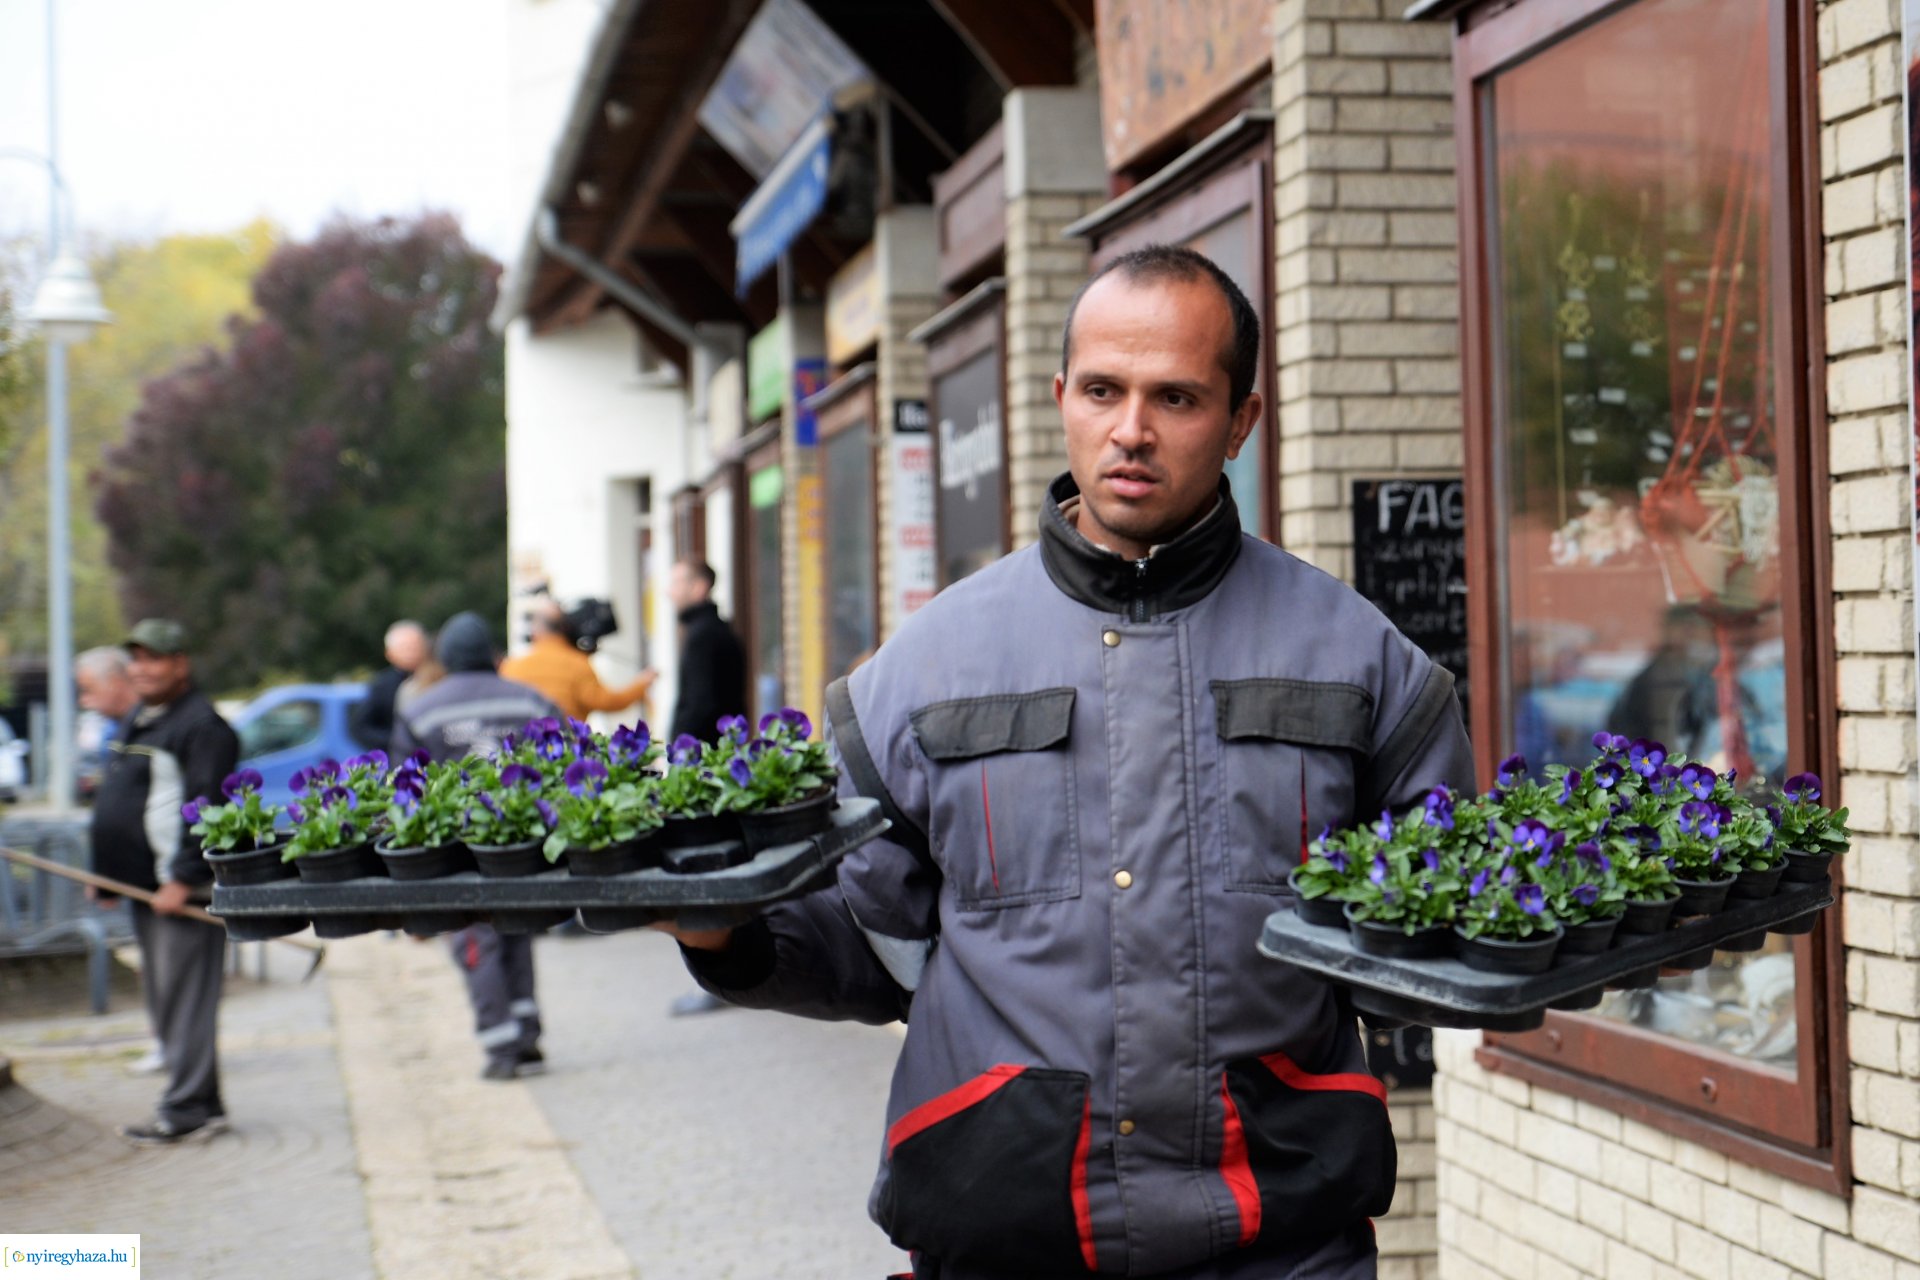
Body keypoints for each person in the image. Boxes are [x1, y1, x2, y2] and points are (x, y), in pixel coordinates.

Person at [665, 246, 1474, 1278]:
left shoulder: (1362, 663)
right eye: (1103, 390)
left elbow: (1435, 956)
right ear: (1061, 400)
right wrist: (717, 925)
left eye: (1175, 397)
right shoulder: (922, 671)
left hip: (1281, 1243)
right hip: (1000, 1235)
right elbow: (868, 941)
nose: (1131, 429)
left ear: (1240, 422)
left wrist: (1589, 942)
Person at [90, 619, 240, 1145]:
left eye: (155, 658)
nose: (143, 669)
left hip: (179, 890)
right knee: (167, 997)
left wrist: (184, 876)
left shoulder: (203, 727)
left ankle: (185, 1110)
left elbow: (209, 810)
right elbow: (121, 798)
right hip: (144, 888)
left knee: (184, 1000)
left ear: (181, 664)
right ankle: (203, 1102)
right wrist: (106, 876)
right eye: (137, 659)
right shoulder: (141, 718)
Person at [393, 612, 560, 1081]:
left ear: (444, 658)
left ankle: (500, 1048)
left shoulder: (422, 709)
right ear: (492, 655)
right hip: (524, 844)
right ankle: (526, 1037)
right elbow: (568, 765)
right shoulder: (531, 701)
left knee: (474, 940)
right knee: (516, 931)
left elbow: (406, 789)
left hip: (458, 851)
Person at [76, 646, 167, 1075]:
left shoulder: (150, 727)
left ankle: (174, 1044)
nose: (84, 701)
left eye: (89, 690)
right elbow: (111, 807)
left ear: (116, 682)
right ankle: (163, 1040)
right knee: (148, 961)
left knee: (165, 963)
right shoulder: (118, 731)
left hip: (160, 875)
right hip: (133, 875)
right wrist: (104, 874)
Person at [500, 597, 654, 724]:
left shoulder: (510, 667)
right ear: (566, 627)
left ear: (534, 631)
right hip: (567, 755)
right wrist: (641, 685)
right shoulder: (577, 665)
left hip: (521, 754)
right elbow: (608, 702)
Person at [666, 559, 748, 744]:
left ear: (699, 587)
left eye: (676, 583)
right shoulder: (716, 629)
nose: (669, 592)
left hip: (705, 755)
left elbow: (699, 704)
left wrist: (681, 748)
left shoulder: (702, 636)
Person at [351, 620, 429, 750]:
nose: (411, 652)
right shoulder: (382, 685)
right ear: (389, 654)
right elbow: (361, 727)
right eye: (405, 648)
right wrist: (396, 742)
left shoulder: (437, 679)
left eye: (415, 646)